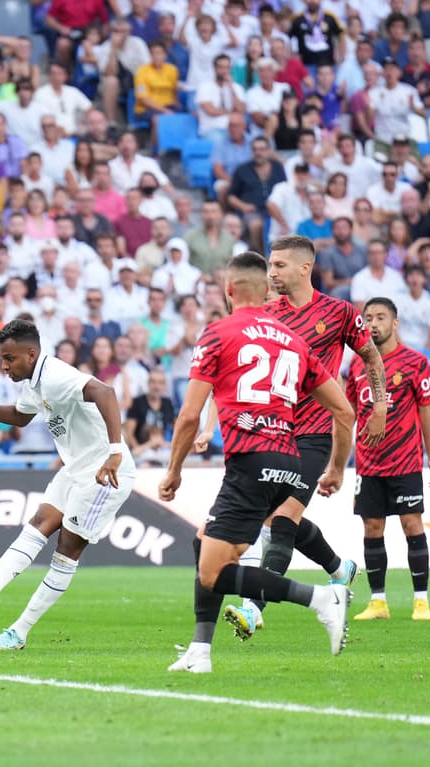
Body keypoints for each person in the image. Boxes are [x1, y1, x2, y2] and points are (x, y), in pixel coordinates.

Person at [159, 252, 355, 673]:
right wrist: (337, 466)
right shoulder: (293, 340)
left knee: (213, 572)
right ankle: (200, 651)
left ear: (228, 290)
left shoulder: (218, 332)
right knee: (204, 542)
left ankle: (322, 598)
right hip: (289, 462)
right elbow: (345, 411)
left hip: (250, 461)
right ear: (266, 292)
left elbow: (190, 414)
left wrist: (173, 470)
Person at [215, 235, 388, 640]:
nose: (271, 273)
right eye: (269, 266)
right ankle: (339, 569)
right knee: (276, 517)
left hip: (312, 434)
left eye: (277, 266)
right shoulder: (266, 313)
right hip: (271, 431)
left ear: (304, 268)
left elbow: (370, 357)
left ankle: (254, 610)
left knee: (282, 520)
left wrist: (379, 406)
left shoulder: (339, 313)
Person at [0, 319, 136, 651]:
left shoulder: (56, 375)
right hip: (75, 469)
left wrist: (115, 452)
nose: (4, 366)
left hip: (104, 474)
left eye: (9, 359)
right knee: (40, 523)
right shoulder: (35, 383)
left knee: (66, 550)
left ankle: (19, 631)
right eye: (1, 359)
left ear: (31, 353)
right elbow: (19, 416)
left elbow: (105, 391)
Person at [348, 297, 430, 622]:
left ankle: (421, 601)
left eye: (380, 317)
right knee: (372, 527)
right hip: (368, 463)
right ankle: (378, 602)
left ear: (395, 323)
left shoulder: (415, 362)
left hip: (405, 462)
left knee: (411, 524)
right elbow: (347, 413)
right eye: (368, 318)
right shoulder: (357, 366)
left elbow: (426, 409)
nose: (373, 324)